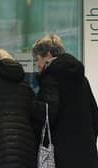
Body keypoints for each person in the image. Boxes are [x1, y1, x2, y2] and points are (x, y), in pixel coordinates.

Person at [32, 34, 98, 168]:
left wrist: (30, 104)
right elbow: (95, 114)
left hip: (62, 156)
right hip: (86, 155)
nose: (37, 65)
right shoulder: (81, 78)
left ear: (48, 55)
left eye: (37, 59)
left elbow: (47, 113)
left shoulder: (51, 78)